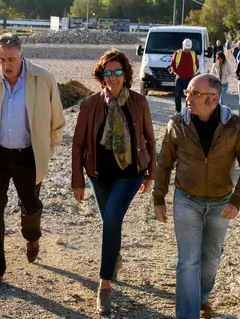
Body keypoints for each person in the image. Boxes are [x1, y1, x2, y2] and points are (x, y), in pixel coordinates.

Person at [153, 74, 240, 319]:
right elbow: (164, 163)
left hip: (221, 203)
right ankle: (187, 315)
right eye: (188, 92)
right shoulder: (177, 123)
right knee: (188, 261)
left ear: (213, 99)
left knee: (210, 260)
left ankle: (201, 297)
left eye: (194, 93)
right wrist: (159, 198)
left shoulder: (235, 126)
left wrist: (237, 200)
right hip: (186, 200)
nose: (187, 97)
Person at [0, 33, 66, 290]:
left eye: (11, 59)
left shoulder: (42, 78)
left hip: (29, 155)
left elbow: (57, 121)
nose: (7, 64)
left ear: (22, 55)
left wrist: (49, 150)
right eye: (2, 59)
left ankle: (32, 238)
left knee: (30, 207)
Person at [71, 49, 156, 315]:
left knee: (111, 221)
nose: (113, 77)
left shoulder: (140, 103)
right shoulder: (89, 104)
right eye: (108, 72)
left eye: (118, 72)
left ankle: (104, 286)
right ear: (102, 75)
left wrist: (151, 175)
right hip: (98, 175)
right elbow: (77, 145)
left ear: (126, 74)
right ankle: (115, 258)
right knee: (110, 223)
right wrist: (78, 181)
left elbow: (151, 140)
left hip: (130, 174)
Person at [169, 38, 200, 112]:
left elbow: (197, 65)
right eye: (186, 48)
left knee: (189, 97)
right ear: (182, 45)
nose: (187, 50)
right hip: (179, 78)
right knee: (177, 96)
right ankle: (178, 111)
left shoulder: (193, 54)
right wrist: (176, 72)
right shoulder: (177, 53)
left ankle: (187, 111)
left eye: (188, 48)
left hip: (189, 79)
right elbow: (172, 64)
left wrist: (192, 73)